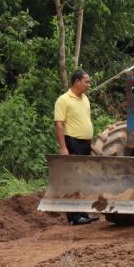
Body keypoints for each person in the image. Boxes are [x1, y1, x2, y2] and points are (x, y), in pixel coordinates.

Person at [53, 69, 96, 225]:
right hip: (73, 142)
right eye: (87, 81)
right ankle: (74, 217)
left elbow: (86, 121)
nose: (88, 84)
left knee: (82, 179)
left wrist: (91, 144)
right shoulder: (63, 100)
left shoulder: (85, 99)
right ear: (77, 82)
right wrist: (63, 147)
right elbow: (59, 125)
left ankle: (83, 212)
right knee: (73, 180)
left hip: (85, 143)